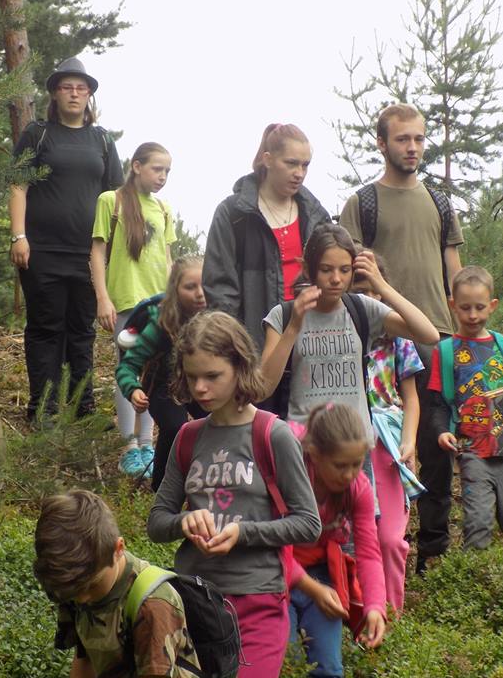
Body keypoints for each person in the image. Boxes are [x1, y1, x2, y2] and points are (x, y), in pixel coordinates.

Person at [147, 312, 321, 678]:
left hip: (258, 604)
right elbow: (157, 522)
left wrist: (242, 532)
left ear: (240, 367)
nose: (200, 387)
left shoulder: (273, 435)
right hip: (193, 605)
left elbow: (308, 523)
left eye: (212, 376)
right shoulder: (187, 437)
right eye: (192, 376)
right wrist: (185, 521)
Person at [337, 102, 465, 572]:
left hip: (439, 337)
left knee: (436, 445)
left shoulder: (440, 203)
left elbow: (455, 273)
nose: (413, 147)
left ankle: (433, 549)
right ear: (382, 143)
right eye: (402, 139)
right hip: (382, 341)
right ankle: (376, 542)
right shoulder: (362, 204)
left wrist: (463, 337)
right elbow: (346, 273)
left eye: (419, 139)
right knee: (378, 445)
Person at [10, 57, 123, 425]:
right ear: (55, 93)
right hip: (41, 251)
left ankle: (82, 410)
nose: (74, 93)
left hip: (89, 255)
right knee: (45, 329)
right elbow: (18, 186)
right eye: (66, 87)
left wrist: (117, 249)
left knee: (81, 331)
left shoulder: (102, 140)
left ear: (89, 95)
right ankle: (43, 409)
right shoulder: (37, 134)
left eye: (81, 88)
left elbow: (117, 197)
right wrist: (19, 236)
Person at [260, 223, 438, 454]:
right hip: (305, 447)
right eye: (326, 269)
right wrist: (294, 326)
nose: (336, 279)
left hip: (355, 447)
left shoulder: (363, 309)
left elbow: (429, 334)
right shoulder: (282, 315)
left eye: (344, 270)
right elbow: (263, 387)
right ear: (308, 269)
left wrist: (382, 286)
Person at [33, 489, 212, 678]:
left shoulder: (152, 606)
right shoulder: (74, 581)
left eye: (92, 585)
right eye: (74, 592)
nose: (82, 599)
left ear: (118, 549)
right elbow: (84, 656)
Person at [203, 124, 331, 413]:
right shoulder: (233, 214)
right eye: (291, 163)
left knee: (312, 432)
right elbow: (220, 291)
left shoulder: (316, 214)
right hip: (255, 348)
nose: (299, 173)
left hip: (312, 345)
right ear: (267, 159)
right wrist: (233, 350)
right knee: (261, 430)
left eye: (305, 165)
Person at [427, 266, 503, 550]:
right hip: (472, 454)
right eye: (465, 307)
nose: (472, 315)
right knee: (477, 525)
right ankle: (473, 574)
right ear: (452, 305)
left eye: (479, 307)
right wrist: (442, 431)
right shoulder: (445, 351)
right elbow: (438, 403)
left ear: (492, 305)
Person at [288, 402, 387, 678]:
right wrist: (312, 589)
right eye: (340, 465)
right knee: (287, 664)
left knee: (328, 671)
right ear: (315, 454)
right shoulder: (290, 469)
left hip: (322, 572)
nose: (349, 474)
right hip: (274, 571)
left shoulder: (358, 487)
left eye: (357, 464)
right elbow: (268, 546)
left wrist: (374, 606)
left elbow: (369, 552)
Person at [92, 142, 177, 471]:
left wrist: (174, 301)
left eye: (167, 171)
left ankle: (147, 446)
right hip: (126, 300)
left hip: (159, 303)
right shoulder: (111, 201)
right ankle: (129, 446)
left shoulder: (164, 208)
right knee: (128, 370)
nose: (163, 176)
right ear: (137, 166)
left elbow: (167, 260)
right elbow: (97, 252)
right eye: (157, 169)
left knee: (155, 372)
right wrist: (103, 297)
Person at [351, 252, 426, 615]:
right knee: (356, 535)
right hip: (349, 442)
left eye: (373, 290)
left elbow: (411, 399)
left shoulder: (397, 338)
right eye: (358, 289)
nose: (368, 299)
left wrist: (408, 441)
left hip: (388, 444)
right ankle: (362, 612)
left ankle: (392, 617)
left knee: (391, 539)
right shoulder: (337, 333)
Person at [116, 256, 207, 489]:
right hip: (162, 386)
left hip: (198, 383)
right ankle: (162, 488)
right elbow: (128, 366)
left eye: (204, 284)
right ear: (175, 289)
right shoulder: (160, 323)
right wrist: (133, 389)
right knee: (174, 427)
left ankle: (210, 477)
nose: (200, 293)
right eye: (190, 287)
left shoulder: (213, 317)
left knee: (217, 419)